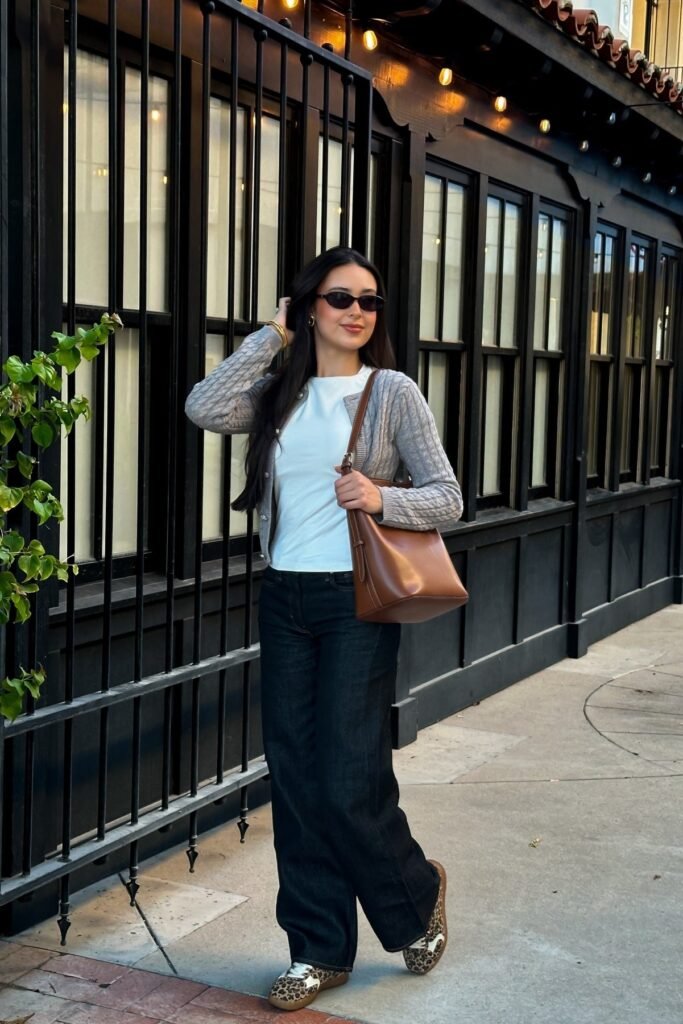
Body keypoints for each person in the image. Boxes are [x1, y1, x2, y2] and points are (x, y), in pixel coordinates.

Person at [185, 246, 463, 1012]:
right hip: (284, 598)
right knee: (297, 779)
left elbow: (446, 498)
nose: (356, 311)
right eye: (339, 297)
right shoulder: (282, 389)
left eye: (370, 301)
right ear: (308, 306)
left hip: (354, 604)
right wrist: (269, 337)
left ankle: (414, 893)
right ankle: (317, 950)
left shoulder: (392, 392)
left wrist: (379, 498)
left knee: (347, 778)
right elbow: (204, 407)